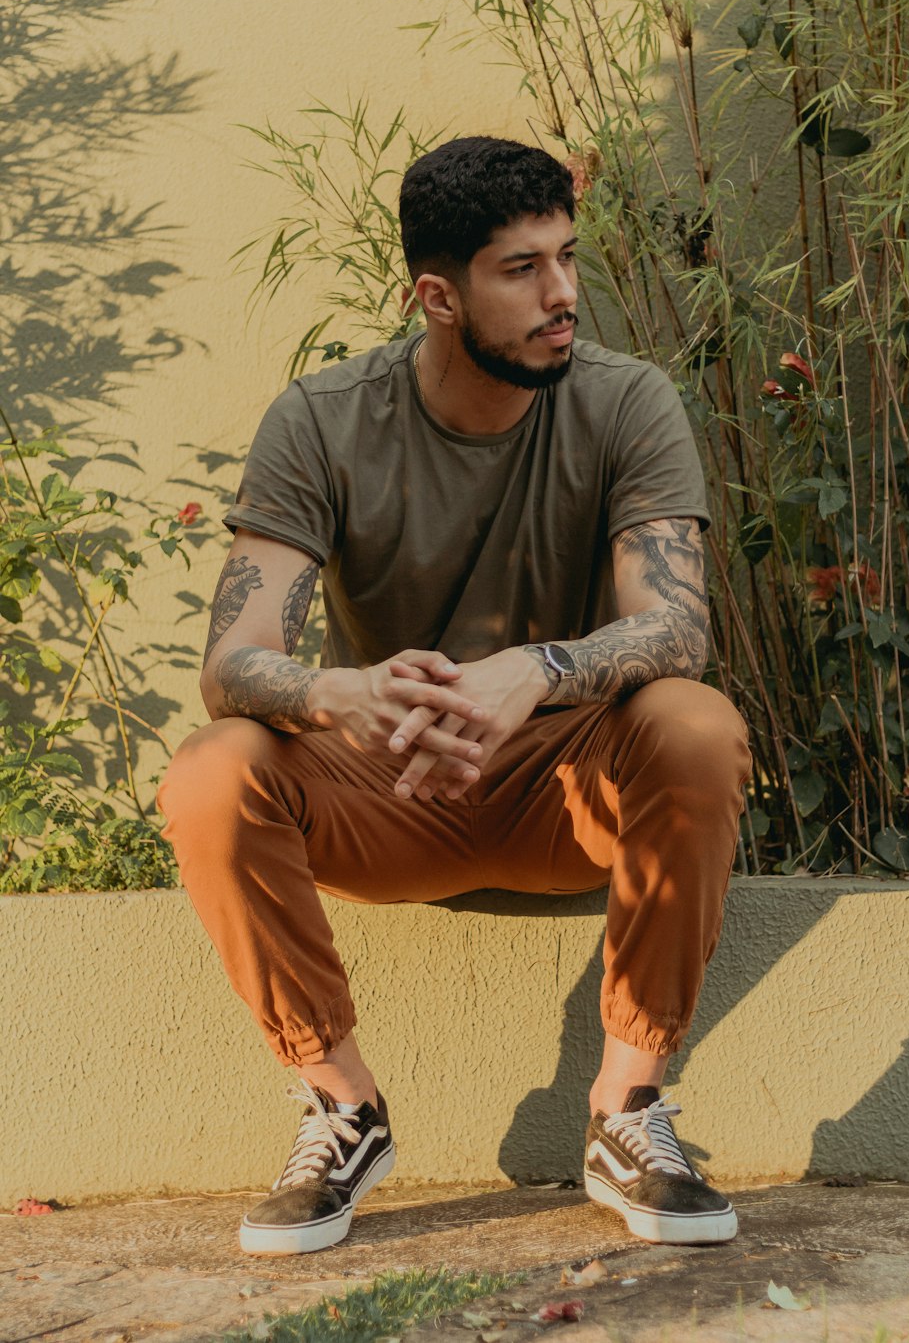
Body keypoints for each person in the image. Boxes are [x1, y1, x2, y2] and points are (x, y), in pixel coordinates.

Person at [158, 135, 751, 1257]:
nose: (562, 293)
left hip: (558, 785)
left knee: (695, 725)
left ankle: (626, 1113)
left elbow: (678, 626)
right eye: (520, 269)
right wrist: (341, 694)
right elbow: (232, 662)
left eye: (566, 258)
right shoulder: (322, 421)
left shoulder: (625, 403)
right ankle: (343, 1109)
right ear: (436, 294)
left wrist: (536, 671)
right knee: (210, 772)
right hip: (384, 791)